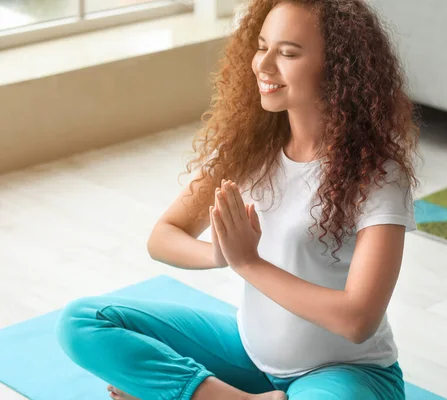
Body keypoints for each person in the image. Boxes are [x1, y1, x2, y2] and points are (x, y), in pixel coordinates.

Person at [55, 0, 420, 399]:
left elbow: (358, 320)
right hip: (247, 354)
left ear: (338, 67)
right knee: (82, 322)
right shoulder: (251, 148)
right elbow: (163, 236)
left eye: (287, 53)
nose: (263, 65)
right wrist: (221, 254)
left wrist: (248, 262)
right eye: (262, 46)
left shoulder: (379, 174)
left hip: (346, 373)